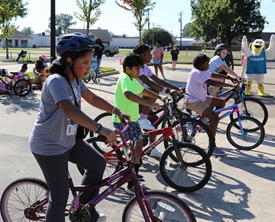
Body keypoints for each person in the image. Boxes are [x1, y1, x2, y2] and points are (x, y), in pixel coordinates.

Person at [29, 32, 127, 222]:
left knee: (98, 163)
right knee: (59, 195)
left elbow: (92, 98)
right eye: (85, 62)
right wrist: (100, 129)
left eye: (90, 62)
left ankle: (81, 213)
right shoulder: (56, 81)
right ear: (69, 60)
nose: (89, 67)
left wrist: (117, 111)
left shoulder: (76, 80)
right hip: (49, 146)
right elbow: (69, 109)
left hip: (69, 141)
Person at [112, 53, 162, 194]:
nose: (139, 72)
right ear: (127, 68)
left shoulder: (133, 80)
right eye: (137, 69)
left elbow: (143, 90)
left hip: (132, 120)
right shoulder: (125, 78)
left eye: (140, 69)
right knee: (137, 147)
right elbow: (129, 95)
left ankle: (131, 173)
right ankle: (131, 184)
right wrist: (149, 103)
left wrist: (159, 96)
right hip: (123, 121)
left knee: (136, 148)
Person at [185, 54, 239, 156]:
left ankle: (209, 121)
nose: (209, 64)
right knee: (215, 118)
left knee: (221, 103)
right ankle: (212, 145)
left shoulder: (202, 71)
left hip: (201, 99)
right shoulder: (197, 73)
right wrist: (231, 85)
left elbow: (213, 75)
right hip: (193, 101)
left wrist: (228, 77)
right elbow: (212, 82)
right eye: (207, 63)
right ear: (201, 64)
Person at [133, 43, 180, 158]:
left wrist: (175, 88)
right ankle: (142, 119)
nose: (151, 55)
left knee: (154, 120)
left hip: (141, 99)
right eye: (149, 53)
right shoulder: (136, 68)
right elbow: (150, 83)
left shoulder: (145, 67)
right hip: (133, 101)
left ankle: (152, 148)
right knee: (155, 92)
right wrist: (166, 91)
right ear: (141, 55)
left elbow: (158, 81)